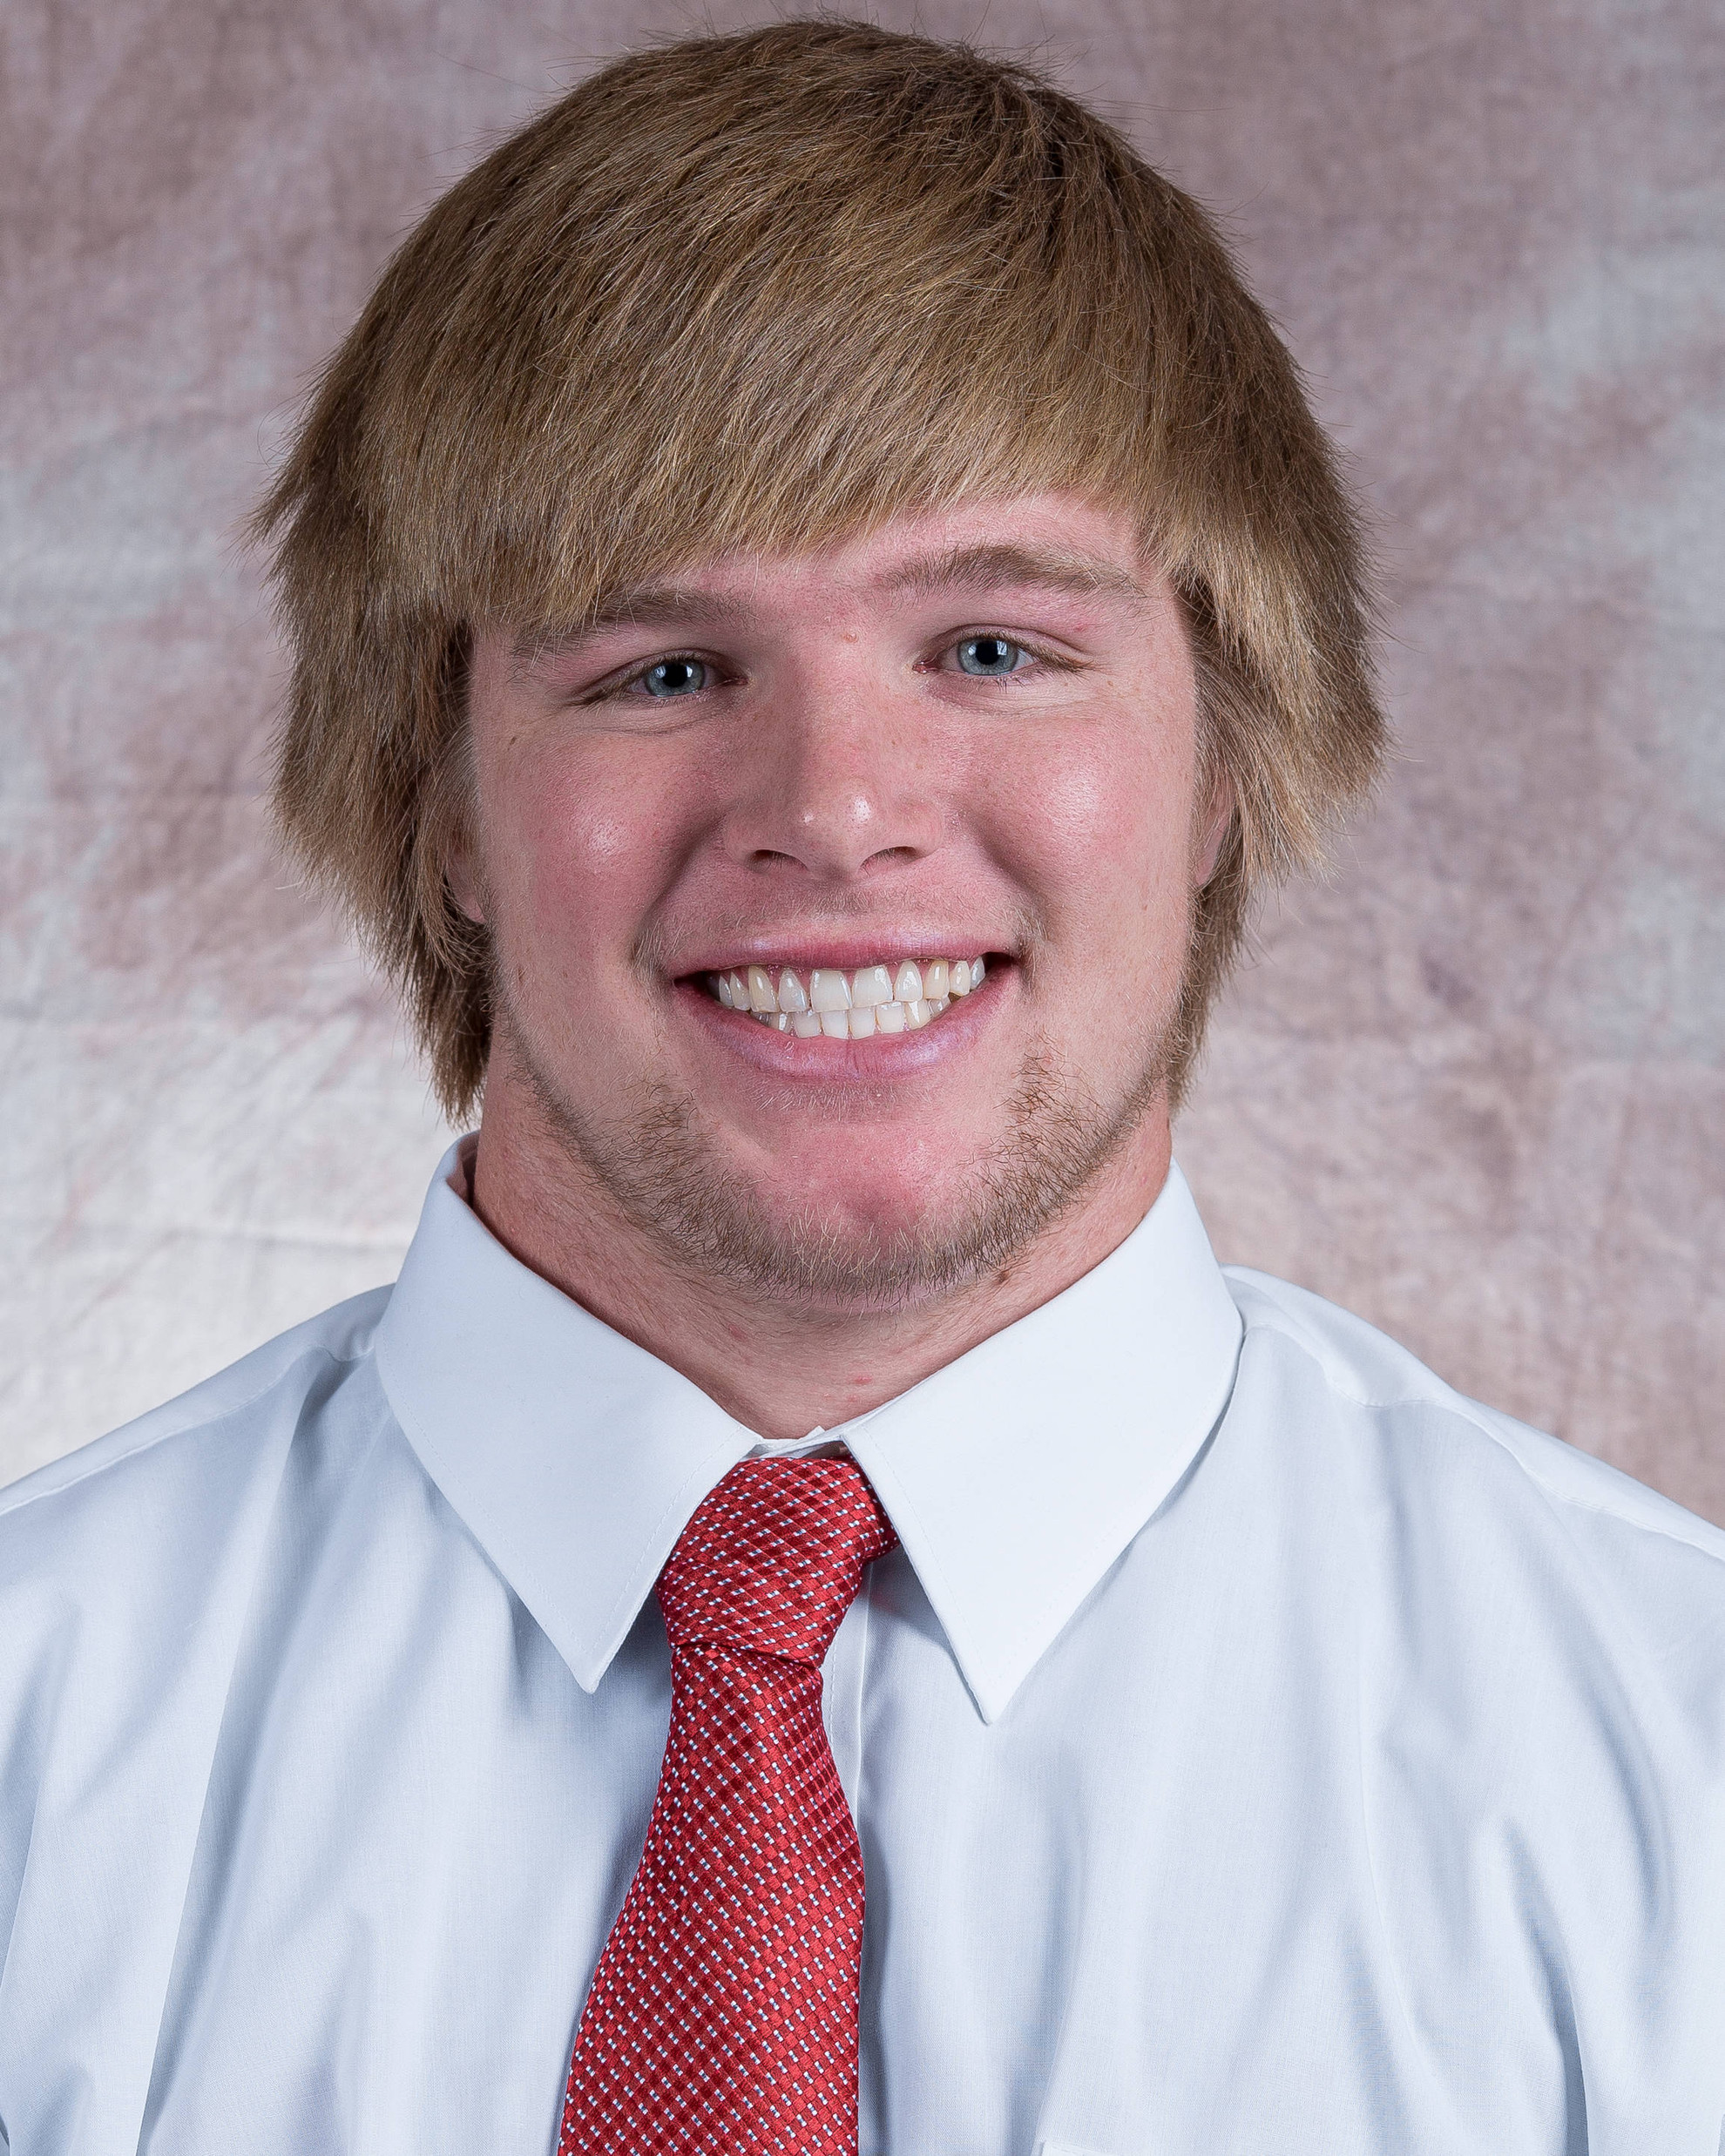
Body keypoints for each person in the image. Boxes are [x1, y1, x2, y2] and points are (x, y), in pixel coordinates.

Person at [1, 19, 1720, 2153]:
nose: (833, 810)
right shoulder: (34, 1744)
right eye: (660, 669)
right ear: (438, 803)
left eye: (992, 646)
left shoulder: (1676, 1779)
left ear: (1228, 756)